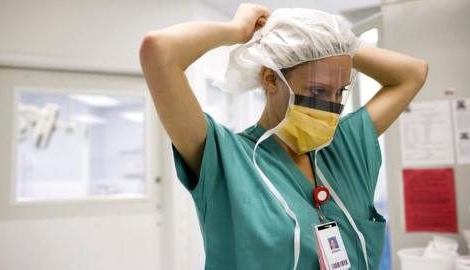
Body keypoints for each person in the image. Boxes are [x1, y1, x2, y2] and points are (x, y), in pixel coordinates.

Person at [139, 3, 428, 270]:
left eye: (339, 92)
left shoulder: (343, 145)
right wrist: (237, 30)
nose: (331, 107)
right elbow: (159, 51)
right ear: (270, 78)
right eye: (317, 91)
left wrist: (337, 44)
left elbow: (414, 73)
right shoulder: (225, 158)